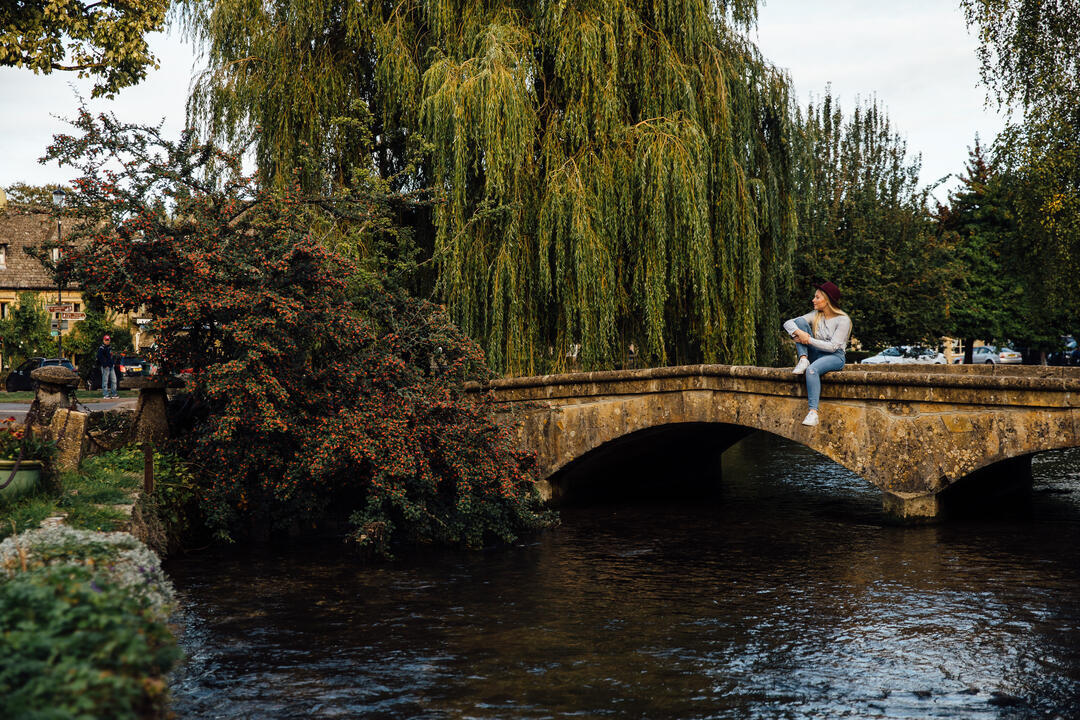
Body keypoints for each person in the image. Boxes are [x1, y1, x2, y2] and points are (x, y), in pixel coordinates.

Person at [782, 282, 852, 427]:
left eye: (817, 297)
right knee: (800, 322)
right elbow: (788, 323)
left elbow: (833, 347)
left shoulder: (843, 320)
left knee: (812, 370)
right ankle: (803, 359)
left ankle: (813, 413)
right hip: (816, 353)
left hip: (835, 357)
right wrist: (800, 333)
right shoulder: (816, 315)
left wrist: (808, 340)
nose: (813, 300)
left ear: (827, 301)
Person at [96, 334, 118, 399]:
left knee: (114, 380)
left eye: (108, 340)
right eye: (106, 340)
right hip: (106, 367)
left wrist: (113, 363)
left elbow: (111, 356)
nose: (107, 341)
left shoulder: (109, 348)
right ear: (103, 340)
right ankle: (105, 394)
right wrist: (104, 364)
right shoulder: (101, 348)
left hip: (111, 366)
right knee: (105, 381)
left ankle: (114, 393)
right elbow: (99, 357)